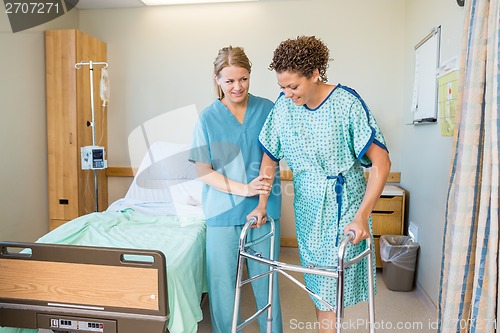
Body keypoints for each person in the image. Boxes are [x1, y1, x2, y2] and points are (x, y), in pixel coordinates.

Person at [249, 36, 391, 333]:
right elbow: (269, 158)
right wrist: (261, 204)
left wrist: (362, 216)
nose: (287, 94)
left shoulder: (346, 103)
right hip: (307, 208)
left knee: (329, 291)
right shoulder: (284, 107)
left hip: (344, 207)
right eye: (282, 87)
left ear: (315, 73)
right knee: (319, 287)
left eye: (293, 86)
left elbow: (381, 162)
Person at [189, 46, 283, 333]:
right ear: (217, 80)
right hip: (222, 213)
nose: (237, 87)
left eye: (243, 79)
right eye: (229, 81)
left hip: (264, 211)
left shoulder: (268, 109)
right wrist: (244, 189)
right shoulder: (207, 118)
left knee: (267, 285)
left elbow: (273, 158)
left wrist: (260, 199)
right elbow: (203, 171)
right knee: (222, 288)